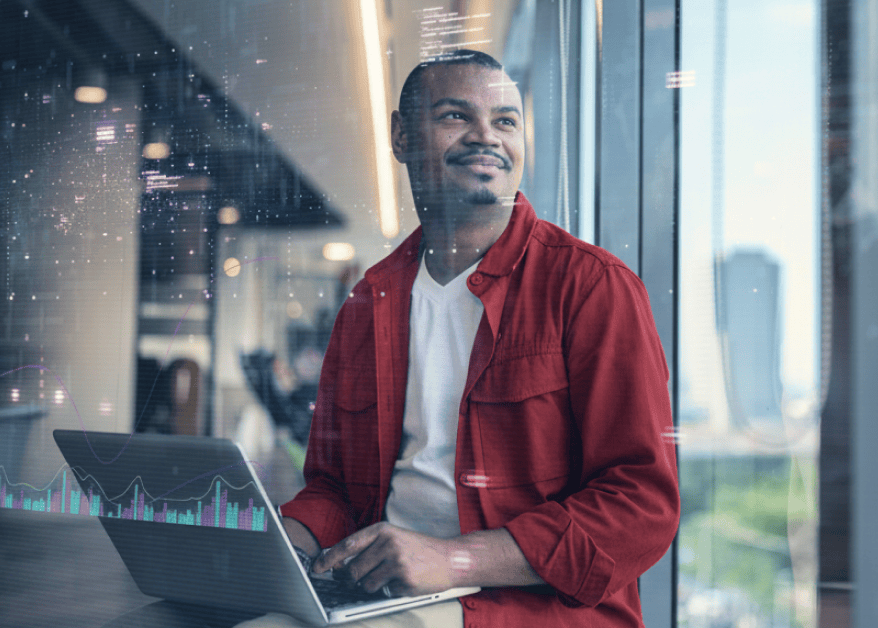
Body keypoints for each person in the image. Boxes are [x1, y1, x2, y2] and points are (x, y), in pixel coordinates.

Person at [270, 50, 679, 628]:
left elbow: (642, 506)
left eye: (506, 121)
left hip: (524, 611)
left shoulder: (593, 288)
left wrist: (453, 558)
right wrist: (283, 541)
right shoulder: (369, 302)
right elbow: (335, 489)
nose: (487, 136)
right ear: (402, 136)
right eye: (456, 116)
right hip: (379, 594)